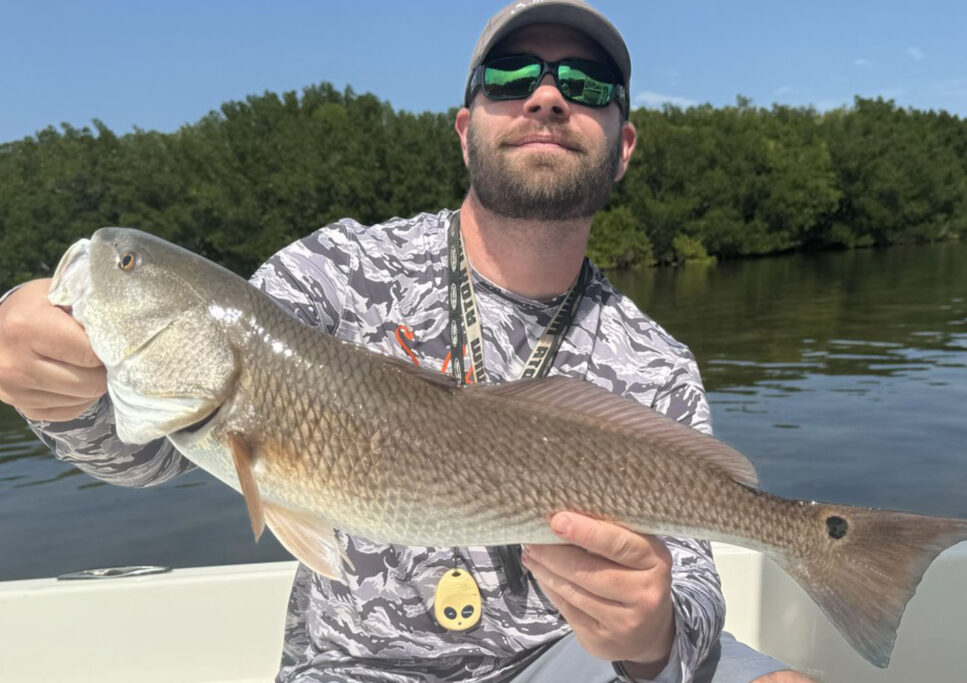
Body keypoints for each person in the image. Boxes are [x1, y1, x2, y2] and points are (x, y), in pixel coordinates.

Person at [0, 1, 815, 681]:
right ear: (465, 128)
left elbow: (699, 581)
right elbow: (147, 454)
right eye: (510, 75)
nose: (545, 96)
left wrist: (650, 637)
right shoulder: (337, 268)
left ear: (623, 144)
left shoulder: (654, 359)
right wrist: (59, 386)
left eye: (587, 83)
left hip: (556, 662)